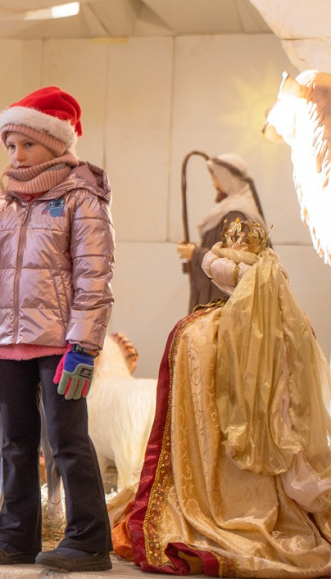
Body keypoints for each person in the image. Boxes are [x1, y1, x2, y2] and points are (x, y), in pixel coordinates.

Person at [0, 86, 115, 572]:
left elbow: (94, 275)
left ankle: (88, 539)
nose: (18, 154)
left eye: (28, 144)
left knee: (67, 441)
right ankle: (16, 535)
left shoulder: (81, 198)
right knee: (15, 442)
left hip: (58, 345)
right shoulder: (3, 204)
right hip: (8, 345)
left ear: (56, 143)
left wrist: (83, 346)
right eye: (11, 146)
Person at [116, 219, 331, 576]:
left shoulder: (194, 333)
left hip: (211, 484)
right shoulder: (296, 324)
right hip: (283, 471)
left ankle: (216, 511)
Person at [176, 153, 265, 313]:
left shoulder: (236, 216)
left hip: (225, 311)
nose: (214, 185)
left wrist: (195, 254)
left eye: (216, 178)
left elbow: (236, 268)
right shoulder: (229, 212)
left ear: (227, 179)